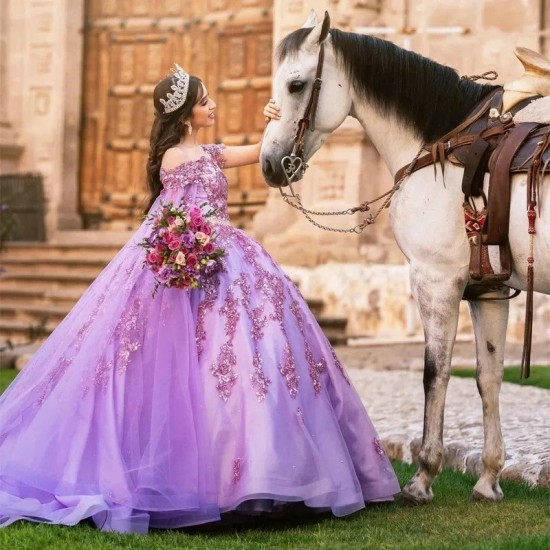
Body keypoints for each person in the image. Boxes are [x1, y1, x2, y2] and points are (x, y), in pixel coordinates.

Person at [0, 64, 400, 534]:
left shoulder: (206, 152)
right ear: (188, 111)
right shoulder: (176, 156)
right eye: (206, 100)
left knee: (261, 352)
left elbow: (259, 153)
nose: (213, 106)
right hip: (193, 256)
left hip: (226, 255)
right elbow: (176, 210)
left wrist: (278, 120)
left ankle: (262, 472)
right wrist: (188, 244)